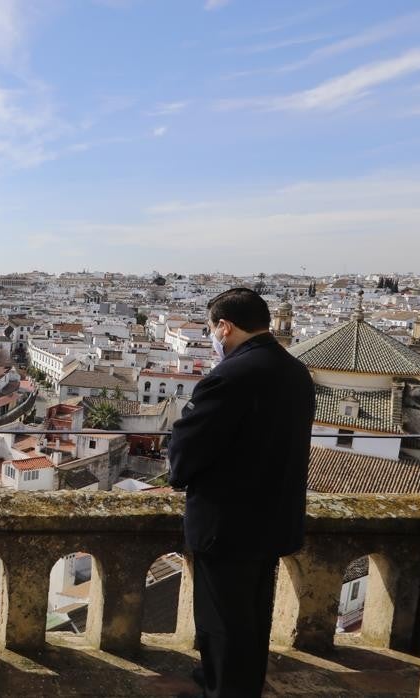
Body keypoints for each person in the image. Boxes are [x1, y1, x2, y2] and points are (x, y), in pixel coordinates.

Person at [169, 287, 315, 697]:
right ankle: (237, 682)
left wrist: (177, 472)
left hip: (228, 522)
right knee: (252, 615)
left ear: (225, 326)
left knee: (221, 620)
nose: (214, 338)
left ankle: (224, 689)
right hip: (274, 517)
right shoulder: (294, 371)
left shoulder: (230, 376)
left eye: (213, 329)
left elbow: (188, 445)